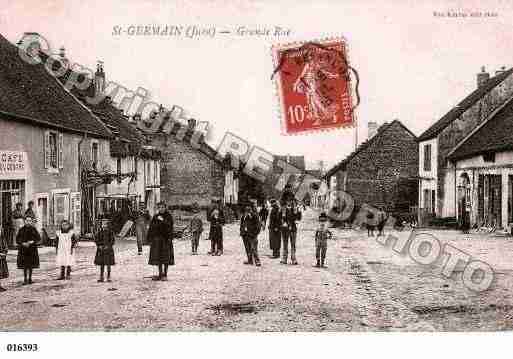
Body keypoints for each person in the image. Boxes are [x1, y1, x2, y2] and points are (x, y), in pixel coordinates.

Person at [147, 202, 174, 281]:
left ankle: (165, 274)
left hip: (166, 239)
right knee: (158, 257)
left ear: (165, 208)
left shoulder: (168, 216)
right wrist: (150, 238)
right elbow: (151, 228)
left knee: (166, 257)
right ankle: (160, 274)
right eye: (160, 207)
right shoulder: (156, 216)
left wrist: (163, 220)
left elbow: (170, 226)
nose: (161, 209)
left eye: (163, 207)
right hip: (157, 240)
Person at [16, 216, 41, 285]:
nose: (28, 222)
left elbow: (38, 238)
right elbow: (17, 239)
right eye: (27, 220)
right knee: (24, 265)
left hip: (32, 250)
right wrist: (22, 243)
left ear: (31, 221)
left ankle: (30, 278)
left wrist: (32, 242)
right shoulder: (21, 229)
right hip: (23, 250)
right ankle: (25, 279)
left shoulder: (33, 229)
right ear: (24, 221)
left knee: (31, 265)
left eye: (30, 220)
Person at [280, 199, 302, 265]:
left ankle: (293, 259)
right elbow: (279, 217)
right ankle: (284, 259)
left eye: (291, 202)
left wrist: (298, 212)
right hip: (285, 229)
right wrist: (282, 221)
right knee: (285, 244)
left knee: (293, 244)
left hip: (293, 229)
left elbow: (299, 218)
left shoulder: (295, 209)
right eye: (288, 201)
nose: (289, 202)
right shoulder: (283, 209)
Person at [240, 201, 262, 266]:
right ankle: (250, 260)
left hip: (252, 235)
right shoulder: (243, 216)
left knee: (254, 248)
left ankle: (257, 261)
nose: (247, 210)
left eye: (248, 209)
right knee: (247, 248)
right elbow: (242, 224)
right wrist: (242, 231)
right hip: (245, 234)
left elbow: (258, 226)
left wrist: (255, 234)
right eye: (246, 209)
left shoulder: (255, 216)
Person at [94, 218, 116, 283]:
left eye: (105, 224)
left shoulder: (111, 232)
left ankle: (109, 276)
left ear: (108, 225)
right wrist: (99, 245)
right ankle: (101, 276)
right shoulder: (99, 232)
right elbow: (96, 240)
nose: (104, 226)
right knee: (102, 264)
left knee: (108, 264)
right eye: (103, 224)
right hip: (101, 250)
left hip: (108, 251)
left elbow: (112, 241)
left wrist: (108, 246)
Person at [0, 225, 9, 292]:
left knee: (1, 271)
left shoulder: (2, 237)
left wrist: (5, 252)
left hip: (1, 256)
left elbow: (5, 244)